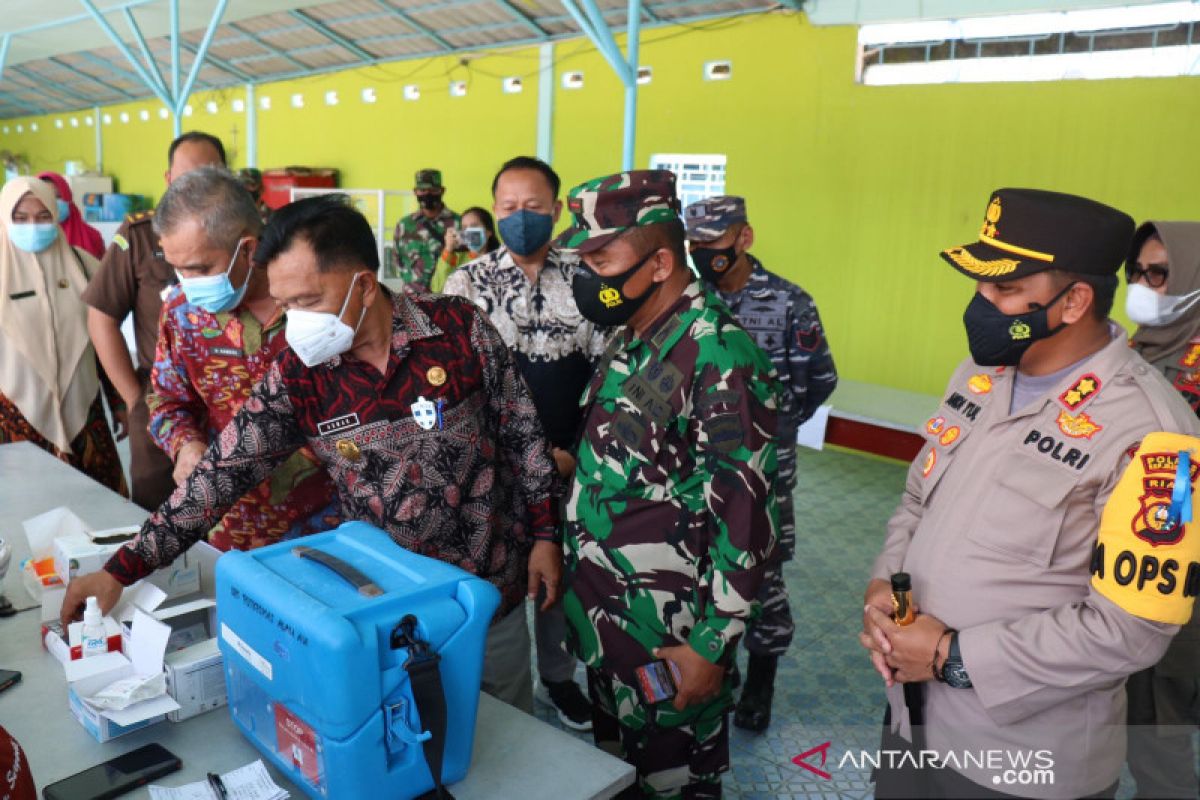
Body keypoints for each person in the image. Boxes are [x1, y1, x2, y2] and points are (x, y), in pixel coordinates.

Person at [61, 194, 561, 714]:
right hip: (383, 610)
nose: (292, 321)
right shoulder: (301, 372)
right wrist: (121, 569)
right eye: (283, 304)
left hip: (489, 592)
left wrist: (546, 535)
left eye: (305, 301)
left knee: (508, 728)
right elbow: (218, 477)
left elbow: (522, 433)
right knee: (411, 729)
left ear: (363, 286)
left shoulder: (457, 329)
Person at [859, 188, 1200, 799]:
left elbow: (1135, 629)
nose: (980, 307)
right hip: (913, 718)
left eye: (1004, 290)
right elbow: (917, 501)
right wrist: (887, 584)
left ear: (1074, 302)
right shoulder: (980, 375)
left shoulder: (1161, 435)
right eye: (979, 288)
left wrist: (949, 657)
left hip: (1023, 761)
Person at [558, 170, 780, 797]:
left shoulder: (718, 354)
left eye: (602, 258)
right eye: (582, 257)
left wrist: (711, 647)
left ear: (659, 263)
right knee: (618, 780)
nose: (587, 274)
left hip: (671, 643)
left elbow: (749, 518)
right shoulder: (635, 336)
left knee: (676, 785)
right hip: (609, 627)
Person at [444, 156, 608, 731]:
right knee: (505, 574)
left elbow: (608, 376)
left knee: (561, 575)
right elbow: (458, 383)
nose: (520, 218)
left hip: (572, 458)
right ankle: (497, 680)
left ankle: (560, 679)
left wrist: (572, 452)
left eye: (533, 207)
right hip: (495, 468)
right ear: (494, 212)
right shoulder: (465, 283)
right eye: (508, 208)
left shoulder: (588, 278)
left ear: (557, 210)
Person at [684, 194, 838, 732]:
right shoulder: (689, 301)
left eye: (716, 243)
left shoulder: (789, 303)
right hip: (697, 471)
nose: (705, 254)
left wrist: (773, 427)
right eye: (696, 244)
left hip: (765, 474)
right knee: (703, 568)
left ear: (744, 238)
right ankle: (714, 667)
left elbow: (819, 380)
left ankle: (761, 683)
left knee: (763, 576)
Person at [147, 166, 338, 552]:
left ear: (248, 248)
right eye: (177, 268)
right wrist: (185, 445)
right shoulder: (184, 313)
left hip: (335, 524)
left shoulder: (319, 302)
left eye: (199, 268)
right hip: (231, 529)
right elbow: (166, 400)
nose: (186, 281)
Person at [83, 131, 226, 511]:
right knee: (160, 519)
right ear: (168, 179)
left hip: (233, 405)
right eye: (188, 176)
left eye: (209, 175)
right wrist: (133, 398)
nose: (198, 187)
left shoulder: (243, 236)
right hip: (161, 405)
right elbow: (101, 317)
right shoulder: (140, 236)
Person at [1122, 221, 1200, 799]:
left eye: (1160, 273)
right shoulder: (1135, 345)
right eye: (1137, 271)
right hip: (1126, 561)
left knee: (1156, 720)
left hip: (1177, 578)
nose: (1144, 285)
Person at [0, 176, 125, 494]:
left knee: (99, 511)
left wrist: (120, 401)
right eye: (21, 217)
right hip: (14, 417)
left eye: (43, 216)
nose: (33, 226)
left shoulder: (84, 267)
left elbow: (103, 341)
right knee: (28, 511)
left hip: (84, 414)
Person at [393, 168, 459, 292]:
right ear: (415, 192)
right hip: (413, 299)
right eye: (422, 190)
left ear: (442, 191)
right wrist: (412, 282)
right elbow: (397, 259)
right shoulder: (404, 225)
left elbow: (465, 260)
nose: (428, 194)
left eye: (433, 190)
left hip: (447, 296)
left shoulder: (458, 223)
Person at [430, 206, 498, 294]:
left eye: (474, 226)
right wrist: (448, 249)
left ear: (489, 232)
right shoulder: (455, 259)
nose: (469, 231)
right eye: (465, 227)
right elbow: (437, 288)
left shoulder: (500, 260)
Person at [37, 171, 105, 259]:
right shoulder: (30, 237)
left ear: (68, 198)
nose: (52, 202)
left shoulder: (92, 236)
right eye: (46, 197)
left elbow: (104, 270)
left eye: (58, 196)